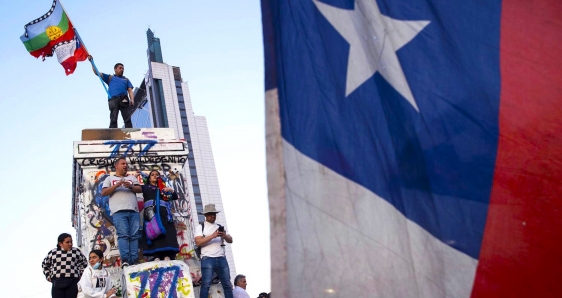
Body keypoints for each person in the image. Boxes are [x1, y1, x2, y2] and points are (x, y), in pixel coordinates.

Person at [101, 157, 142, 267]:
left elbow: (139, 189)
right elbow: (104, 192)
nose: (125, 166)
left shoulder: (132, 178)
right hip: (118, 212)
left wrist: (131, 186)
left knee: (134, 236)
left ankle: (134, 260)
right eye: (123, 164)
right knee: (123, 235)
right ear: (116, 166)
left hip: (133, 210)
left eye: (126, 164)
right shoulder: (109, 178)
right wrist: (116, 185)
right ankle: (125, 260)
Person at [195, 204, 234, 298]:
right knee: (205, 284)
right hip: (208, 258)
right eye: (210, 214)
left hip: (221, 258)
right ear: (205, 215)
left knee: (227, 284)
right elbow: (198, 242)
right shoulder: (201, 227)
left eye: (214, 214)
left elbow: (231, 240)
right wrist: (213, 236)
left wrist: (224, 235)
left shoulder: (219, 226)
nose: (213, 216)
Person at [141, 170, 180, 260]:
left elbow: (174, 197)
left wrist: (170, 189)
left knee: (166, 234)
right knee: (154, 232)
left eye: (157, 175)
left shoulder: (163, 188)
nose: (155, 176)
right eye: (152, 175)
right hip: (151, 213)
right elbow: (135, 188)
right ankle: (156, 256)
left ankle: (167, 255)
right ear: (149, 178)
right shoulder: (146, 187)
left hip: (165, 214)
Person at [87, 55, 135, 128]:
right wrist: (91, 62)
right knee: (113, 118)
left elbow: (130, 90)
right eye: (120, 68)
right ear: (115, 69)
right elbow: (97, 72)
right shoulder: (110, 77)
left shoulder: (126, 80)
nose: (122, 69)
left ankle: (130, 132)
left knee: (127, 118)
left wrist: (132, 99)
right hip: (113, 99)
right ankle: (112, 132)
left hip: (124, 99)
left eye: (123, 68)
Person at [42, 233, 88, 298]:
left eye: (71, 242)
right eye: (67, 242)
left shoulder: (76, 251)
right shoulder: (53, 253)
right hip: (57, 281)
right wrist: (48, 276)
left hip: (73, 281)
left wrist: (81, 275)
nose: (70, 244)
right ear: (60, 244)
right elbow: (45, 265)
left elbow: (84, 263)